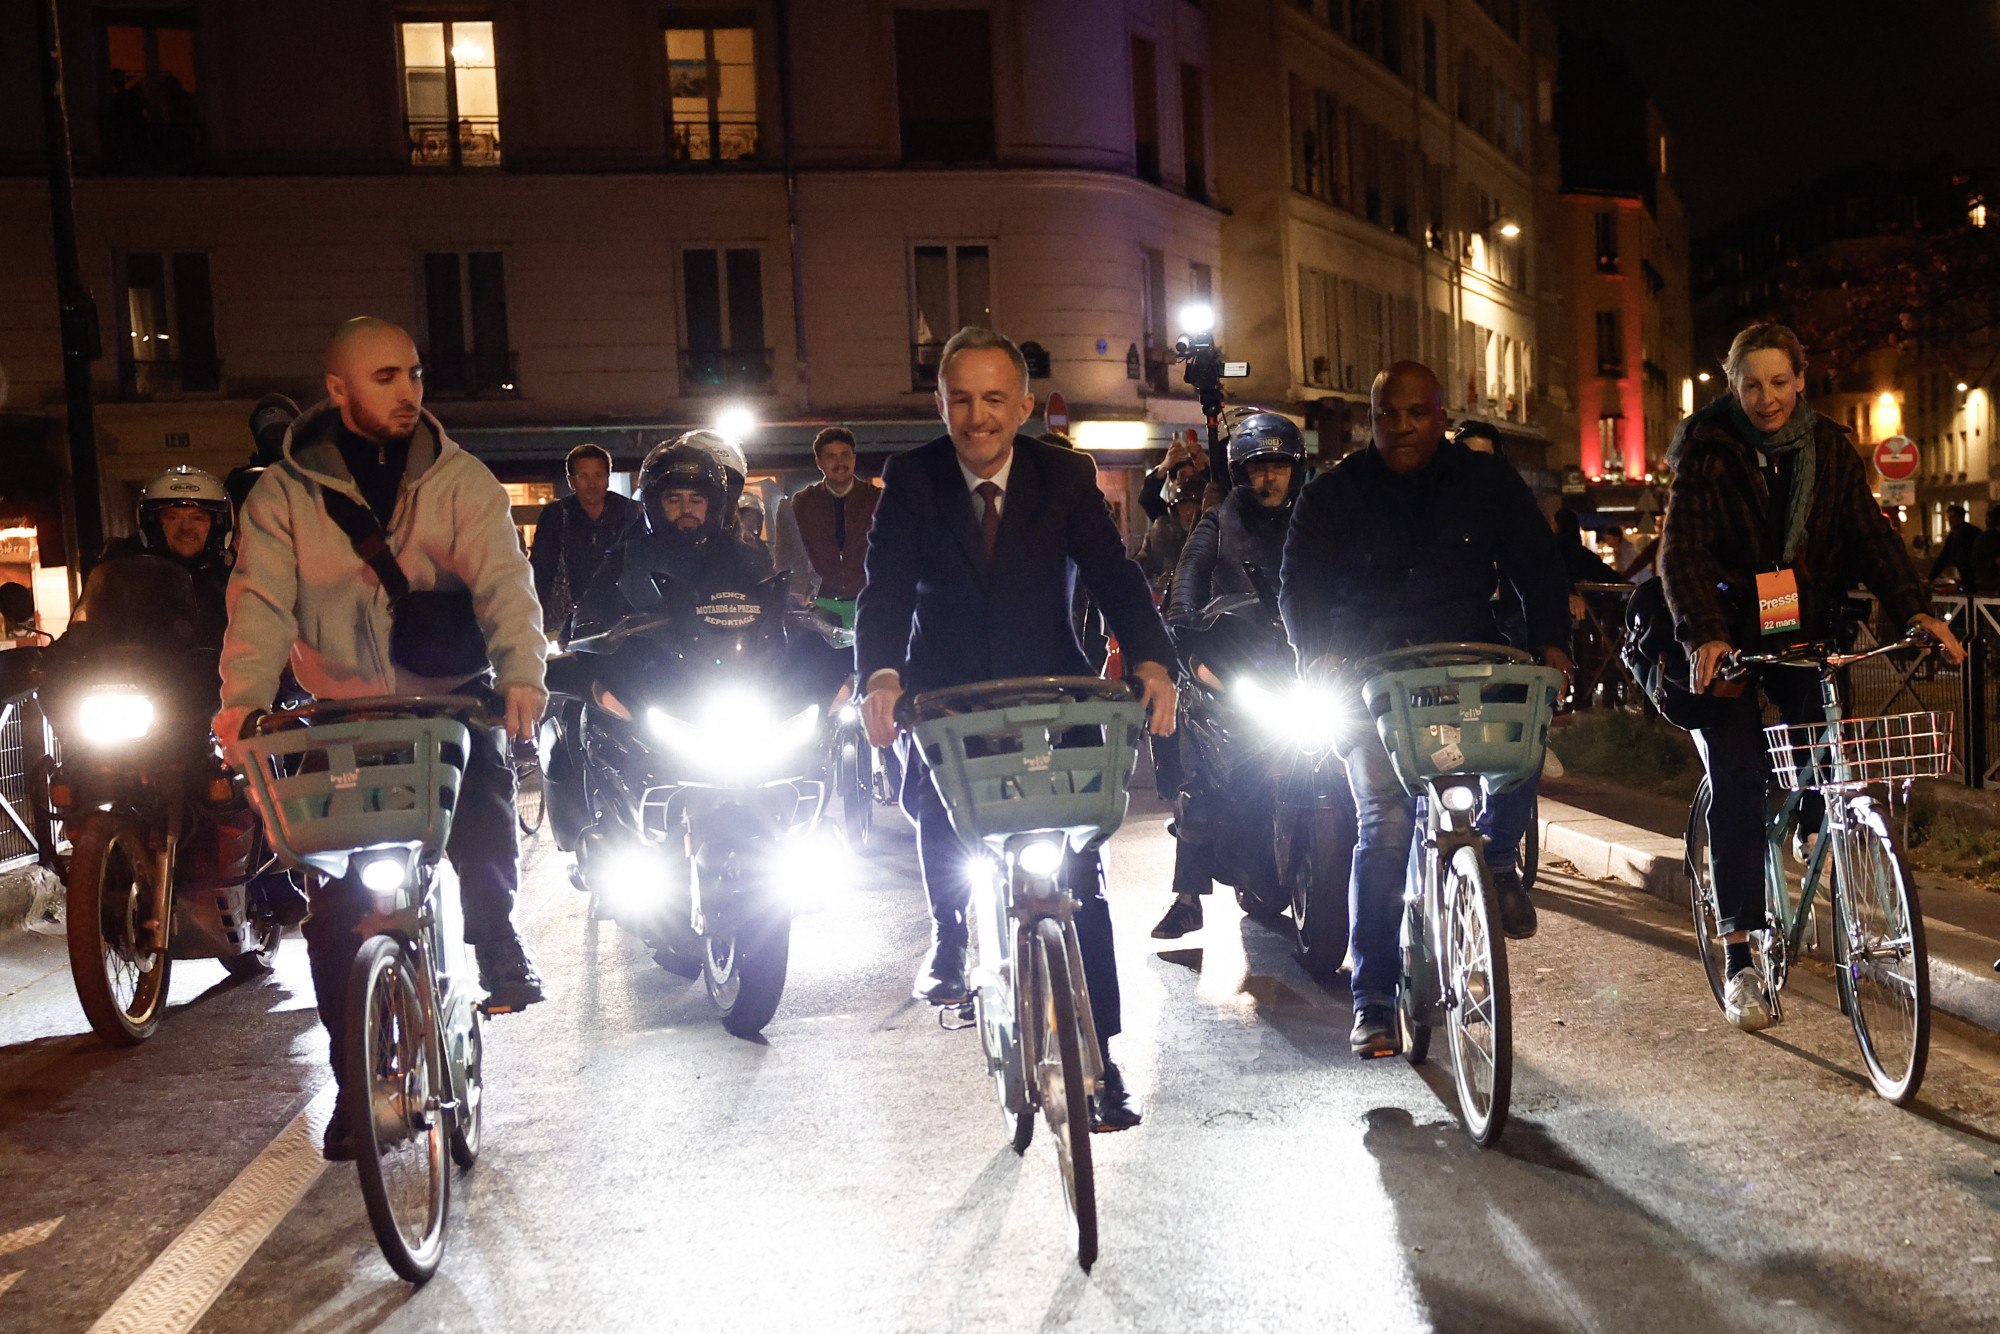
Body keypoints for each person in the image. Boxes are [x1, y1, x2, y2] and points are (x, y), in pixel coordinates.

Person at [214, 316, 549, 1160]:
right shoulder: (282, 495)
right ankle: (355, 1083)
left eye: (415, 374)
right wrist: (242, 706)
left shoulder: (460, 479)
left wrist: (521, 672)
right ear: (338, 390)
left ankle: (496, 935)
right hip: (345, 718)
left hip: (446, 702)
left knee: (480, 798)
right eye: (387, 378)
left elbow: (504, 581)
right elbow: (258, 606)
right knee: (333, 922)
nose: (409, 393)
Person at [856, 326, 1178, 1131]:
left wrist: (1150, 659)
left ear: (1024, 406)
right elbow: (885, 585)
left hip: (1050, 695)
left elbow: (1114, 573)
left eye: (994, 399)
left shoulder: (1064, 475)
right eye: (959, 400)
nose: (977, 417)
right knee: (941, 819)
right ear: (940, 403)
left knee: (1078, 877)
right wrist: (882, 675)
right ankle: (951, 934)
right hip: (947, 696)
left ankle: (1099, 1061)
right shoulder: (913, 477)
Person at [1659, 322, 1963, 1033]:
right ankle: (1740, 955)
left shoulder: (1829, 447)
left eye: (1779, 382)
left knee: (1830, 748)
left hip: (1803, 625)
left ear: (1801, 380)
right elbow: (1683, 550)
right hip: (1731, 634)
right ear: (1731, 387)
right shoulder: (1709, 450)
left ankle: (1815, 819)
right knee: (1738, 774)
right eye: (1751, 385)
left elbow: (1868, 535)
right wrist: (1705, 634)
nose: (1766, 399)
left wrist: (1918, 610)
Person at [1280, 361, 1572, 1058]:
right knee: (1382, 827)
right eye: (1386, 415)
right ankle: (1373, 998)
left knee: (1525, 737)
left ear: (1441, 415)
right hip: (1366, 682)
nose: (1401, 427)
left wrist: (1552, 646)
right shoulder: (1334, 494)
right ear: (1370, 420)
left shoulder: (1485, 482)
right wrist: (1315, 653)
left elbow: (1538, 561)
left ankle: (1497, 862)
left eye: (1416, 413)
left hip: (1465, 673)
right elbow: (1299, 584)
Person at [1151, 411, 1307, 939]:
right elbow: (1186, 585)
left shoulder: (1312, 520)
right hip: (1234, 669)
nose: (1269, 477)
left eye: (1279, 466)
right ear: (1241, 472)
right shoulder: (1218, 522)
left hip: (1304, 666)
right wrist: (1191, 645)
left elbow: (1346, 579)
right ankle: (1187, 896)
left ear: (1295, 469)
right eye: (1258, 467)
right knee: (1202, 785)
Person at [569, 440, 775, 639]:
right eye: (674, 500)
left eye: (696, 500)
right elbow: (593, 607)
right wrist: (588, 625)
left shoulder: (740, 556)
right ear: (657, 505)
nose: (686, 509)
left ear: (711, 506)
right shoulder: (626, 558)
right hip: (650, 666)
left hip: (730, 664)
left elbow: (773, 604)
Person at [103, 465, 237, 646]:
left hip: (223, 673)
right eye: (172, 517)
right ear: (154, 524)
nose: (186, 528)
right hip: (146, 671)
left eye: (198, 518)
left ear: (217, 525)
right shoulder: (127, 579)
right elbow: (92, 630)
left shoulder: (235, 578)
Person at [530, 443, 639, 635]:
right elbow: (541, 571)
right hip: (566, 622)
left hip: (622, 620)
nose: (592, 483)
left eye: (598, 475)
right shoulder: (556, 515)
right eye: (583, 476)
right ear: (571, 481)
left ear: (607, 478)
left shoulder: (630, 512)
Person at [774, 426, 880, 602]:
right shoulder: (802, 504)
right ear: (819, 462)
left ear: (854, 459)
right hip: (819, 602)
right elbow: (786, 553)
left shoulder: (877, 500)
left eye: (845, 455)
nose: (840, 463)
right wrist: (795, 591)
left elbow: (896, 550)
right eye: (831, 456)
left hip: (870, 600)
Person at [1138, 475, 1200, 591]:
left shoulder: (1210, 533)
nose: (1189, 511)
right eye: (1184, 506)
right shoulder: (1162, 531)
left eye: (1194, 506)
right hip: (1167, 592)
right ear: (1175, 509)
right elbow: (1144, 562)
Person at [1928, 504, 1983, 587]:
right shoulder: (1954, 534)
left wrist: (1930, 578)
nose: (1950, 521)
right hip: (1967, 575)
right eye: (1949, 518)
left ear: (1960, 518)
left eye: (1952, 517)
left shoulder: (1970, 533)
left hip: (1973, 576)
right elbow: (1944, 556)